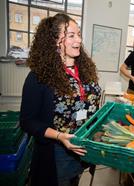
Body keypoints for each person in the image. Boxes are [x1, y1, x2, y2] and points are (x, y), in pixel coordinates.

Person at [20, 14, 101, 186]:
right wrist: (60, 136)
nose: (78, 40)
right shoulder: (39, 76)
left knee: (75, 180)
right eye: (71, 35)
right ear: (55, 41)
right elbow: (28, 121)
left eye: (78, 34)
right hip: (57, 152)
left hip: (82, 147)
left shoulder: (85, 70)